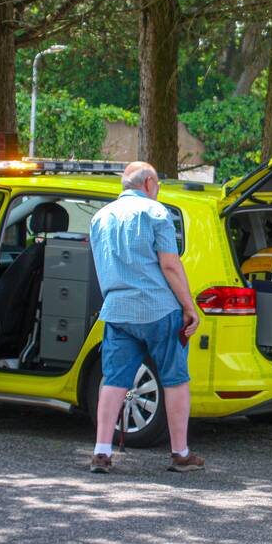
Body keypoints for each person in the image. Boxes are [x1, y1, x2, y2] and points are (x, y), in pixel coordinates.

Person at [88, 161, 204, 473]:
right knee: (175, 380)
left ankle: (101, 452)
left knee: (114, 380)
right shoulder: (156, 212)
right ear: (149, 182)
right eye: (158, 186)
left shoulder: (100, 217)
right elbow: (170, 265)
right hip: (158, 309)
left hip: (117, 310)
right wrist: (189, 307)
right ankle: (180, 453)